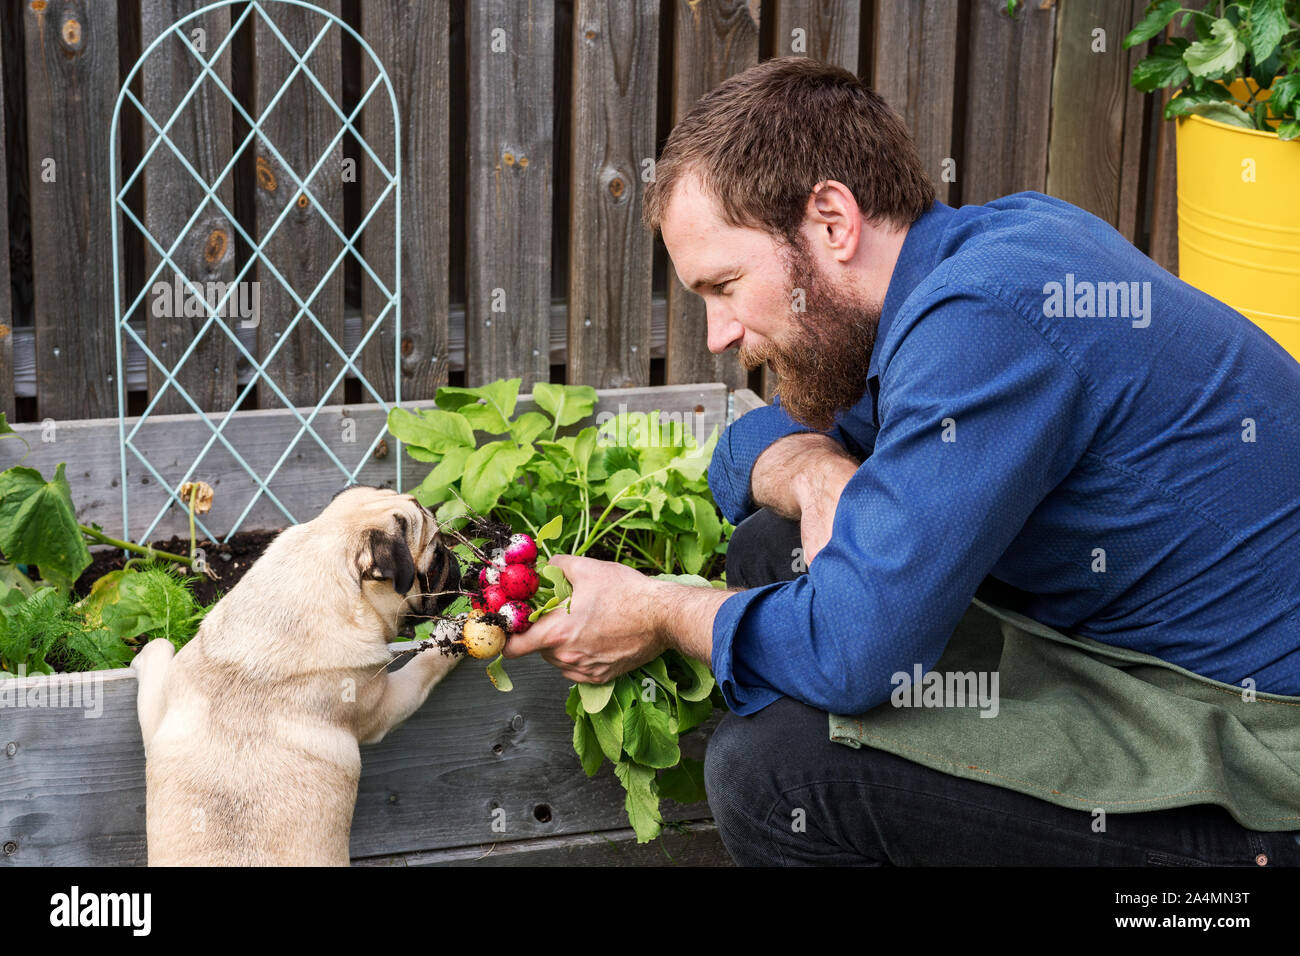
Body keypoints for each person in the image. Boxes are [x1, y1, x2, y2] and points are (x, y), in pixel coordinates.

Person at [503, 56, 1300, 866]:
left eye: (727, 284)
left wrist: (660, 609)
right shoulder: (961, 265)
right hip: (1121, 657)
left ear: (832, 222)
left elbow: (851, 656)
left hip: (1256, 748)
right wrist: (815, 472)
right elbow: (743, 449)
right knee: (769, 551)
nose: (719, 336)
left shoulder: (985, 318)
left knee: (776, 776)